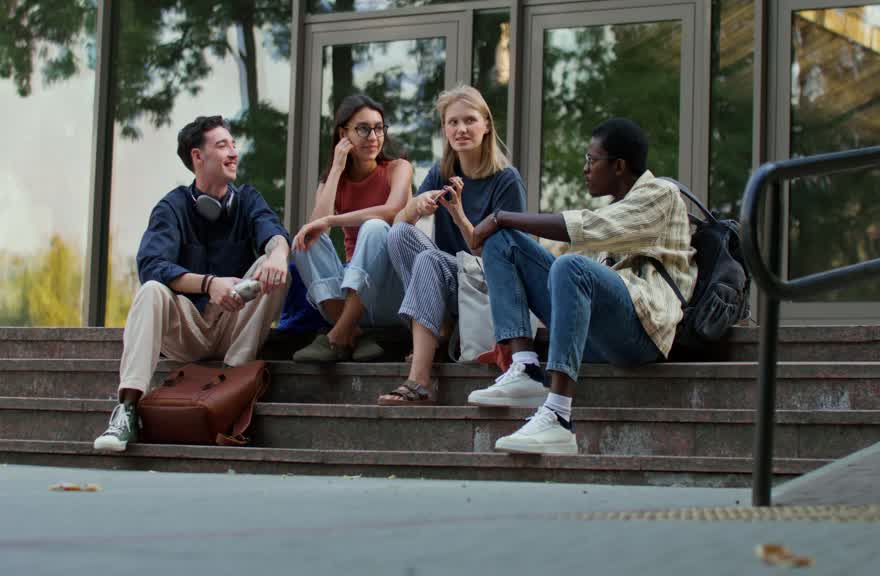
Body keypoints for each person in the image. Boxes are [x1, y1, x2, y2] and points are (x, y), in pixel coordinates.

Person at [465, 117, 696, 454]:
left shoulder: (661, 193)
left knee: (570, 265)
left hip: (642, 333)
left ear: (618, 166)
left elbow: (588, 227)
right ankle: (527, 367)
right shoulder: (618, 208)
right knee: (504, 242)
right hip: (599, 334)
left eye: (591, 159)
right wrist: (501, 225)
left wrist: (502, 215)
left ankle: (558, 416)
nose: (585, 168)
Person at [93, 115, 291, 452]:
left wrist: (277, 254)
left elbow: (274, 234)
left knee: (273, 266)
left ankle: (229, 385)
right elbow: (152, 266)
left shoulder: (248, 199)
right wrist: (208, 284)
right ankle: (126, 410)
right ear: (197, 157)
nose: (233, 153)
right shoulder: (172, 206)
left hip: (235, 328)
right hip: (188, 331)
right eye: (222, 145)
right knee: (152, 291)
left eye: (233, 144)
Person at [380, 85, 526, 404]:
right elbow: (398, 228)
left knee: (429, 261)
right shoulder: (443, 172)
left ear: (486, 125)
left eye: (470, 120)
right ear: (445, 129)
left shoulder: (506, 180)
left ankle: (418, 381)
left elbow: (502, 258)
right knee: (398, 233)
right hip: (450, 281)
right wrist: (414, 206)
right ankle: (441, 327)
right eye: (452, 122)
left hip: (488, 285)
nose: (461, 129)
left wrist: (458, 214)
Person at [290, 94, 413, 362]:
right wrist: (336, 168)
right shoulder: (333, 180)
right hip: (349, 300)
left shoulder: (398, 168)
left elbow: (393, 212)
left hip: (392, 296)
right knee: (304, 241)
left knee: (375, 227)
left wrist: (333, 220)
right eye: (363, 128)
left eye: (379, 128)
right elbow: (315, 228)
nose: (373, 136)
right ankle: (356, 334)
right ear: (343, 133)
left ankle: (336, 337)